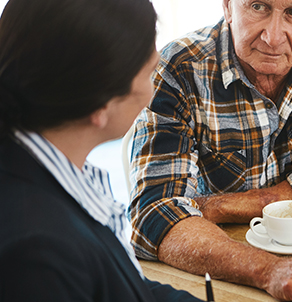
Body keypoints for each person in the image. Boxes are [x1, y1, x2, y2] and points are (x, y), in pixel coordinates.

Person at [128, 0, 292, 301]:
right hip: (216, 264)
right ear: (228, 6)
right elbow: (155, 215)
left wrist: (212, 207)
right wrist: (268, 269)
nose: (273, 37)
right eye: (258, 6)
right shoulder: (180, 67)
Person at [0, 0, 201, 301]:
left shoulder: (44, 169)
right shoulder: (38, 252)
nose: (151, 93)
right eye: (148, 74)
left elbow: (126, 288)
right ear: (100, 103)